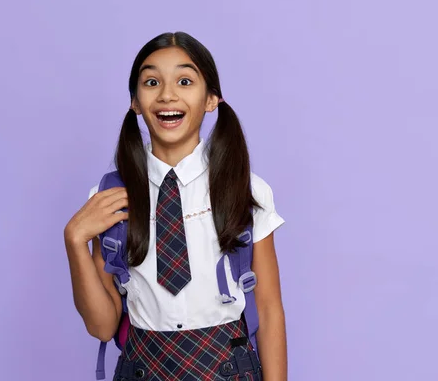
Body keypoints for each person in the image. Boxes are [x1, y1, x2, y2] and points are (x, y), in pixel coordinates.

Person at [64, 31, 287, 380]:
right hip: (142, 369)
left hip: (228, 368)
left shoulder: (245, 190)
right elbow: (103, 326)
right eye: (151, 81)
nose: (167, 94)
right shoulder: (109, 198)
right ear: (135, 102)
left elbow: (270, 310)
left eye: (185, 81)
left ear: (211, 98)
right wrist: (75, 240)